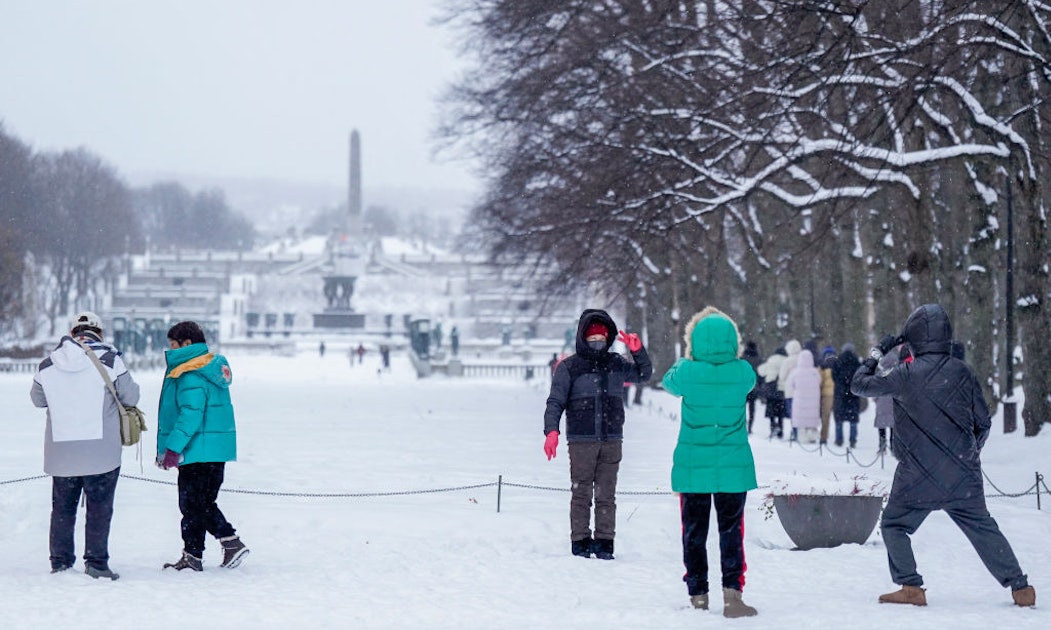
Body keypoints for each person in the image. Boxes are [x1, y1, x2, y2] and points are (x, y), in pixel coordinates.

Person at [851, 304, 1036, 608]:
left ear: (913, 339)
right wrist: (968, 453)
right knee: (982, 528)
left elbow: (859, 385)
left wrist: (877, 352)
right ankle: (1020, 587)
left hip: (916, 476)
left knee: (895, 525)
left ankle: (911, 586)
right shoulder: (963, 372)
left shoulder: (904, 374)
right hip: (962, 475)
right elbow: (984, 422)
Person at [662, 306, 758, 617]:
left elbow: (668, 381)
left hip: (694, 468)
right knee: (731, 532)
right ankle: (733, 595)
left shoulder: (687, 373)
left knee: (694, 532)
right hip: (732, 467)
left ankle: (698, 595)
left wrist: (687, 359)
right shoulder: (742, 372)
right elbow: (750, 382)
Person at [30, 311, 140, 579]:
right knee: (100, 509)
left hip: (62, 452)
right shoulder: (111, 360)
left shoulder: (47, 364)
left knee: (63, 510)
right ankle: (97, 563)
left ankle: (60, 561)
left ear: (73, 332)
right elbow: (132, 395)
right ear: (98, 333)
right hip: (102, 451)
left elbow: (37, 399)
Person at [543, 309, 652, 560]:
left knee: (606, 494)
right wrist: (551, 430)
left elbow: (644, 374)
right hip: (581, 441)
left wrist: (638, 352)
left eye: (601, 339)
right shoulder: (569, 367)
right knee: (581, 493)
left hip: (612, 438)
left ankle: (604, 543)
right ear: (583, 338)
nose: (597, 343)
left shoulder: (616, 364)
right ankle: (580, 541)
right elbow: (555, 401)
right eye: (592, 339)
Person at [158, 321, 249, 572]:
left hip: (196, 450)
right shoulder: (209, 368)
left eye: (173, 345)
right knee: (201, 504)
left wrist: (172, 448)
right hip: (214, 449)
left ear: (187, 344)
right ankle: (193, 555)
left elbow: (190, 414)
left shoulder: (190, 373)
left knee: (193, 505)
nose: (170, 350)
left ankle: (230, 542)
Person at [785, 349, 821, 443]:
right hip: (813, 402)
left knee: (801, 421)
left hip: (800, 401)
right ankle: (812, 436)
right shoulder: (815, 372)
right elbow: (819, 382)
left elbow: (790, 384)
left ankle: (802, 437)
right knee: (811, 419)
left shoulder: (796, 372)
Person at [831, 343, 861, 447]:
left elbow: (833, 376)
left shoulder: (837, 361)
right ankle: (853, 440)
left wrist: (840, 385)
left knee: (839, 417)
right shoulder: (857, 362)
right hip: (853, 393)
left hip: (840, 393)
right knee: (853, 418)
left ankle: (839, 439)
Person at [756, 346, 787, 438]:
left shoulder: (771, 360)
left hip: (771, 390)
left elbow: (761, 371)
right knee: (781, 412)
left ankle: (773, 427)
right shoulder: (786, 360)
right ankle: (781, 430)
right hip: (782, 390)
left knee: (771, 411)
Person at [742, 341, 762, 433]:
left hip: (743, 387)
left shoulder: (743, 358)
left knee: (742, 408)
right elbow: (761, 374)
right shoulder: (759, 359)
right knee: (752, 408)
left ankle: (743, 425)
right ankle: (750, 426)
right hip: (755, 386)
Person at [818, 346, 837, 445]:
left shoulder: (822, 365)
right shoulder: (838, 364)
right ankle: (839, 437)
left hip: (826, 394)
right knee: (837, 417)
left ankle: (823, 437)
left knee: (825, 417)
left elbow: (820, 381)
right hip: (836, 393)